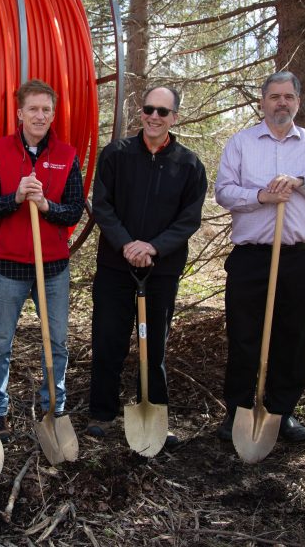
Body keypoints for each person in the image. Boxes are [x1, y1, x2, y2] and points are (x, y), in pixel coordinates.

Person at [214, 71, 305, 443]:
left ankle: (281, 411)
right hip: (251, 257)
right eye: (274, 97)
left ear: (298, 102)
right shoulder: (241, 143)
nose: (281, 103)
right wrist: (261, 196)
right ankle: (237, 412)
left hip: (298, 258)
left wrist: (303, 183)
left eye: (288, 96)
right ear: (263, 101)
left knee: (291, 335)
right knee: (244, 335)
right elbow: (223, 192)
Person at [87, 85, 207, 446]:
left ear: (175, 118)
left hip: (161, 269)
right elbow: (102, 205)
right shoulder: (116, 154)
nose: (154, 116)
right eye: (148, 109)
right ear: (141, 112)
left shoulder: (189, 164)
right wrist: (126, 244)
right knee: (108, 339)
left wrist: (153, 247)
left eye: (163, 112)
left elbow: (189, 219)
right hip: (115, 265)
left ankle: (153, 410)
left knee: (153, 345)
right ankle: (102, 414)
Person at [0, 79, 84, 443]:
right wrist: (16, 197)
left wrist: (45, 206)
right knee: (0, 342)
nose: (40, 116)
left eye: (46, 110)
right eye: (33, 109)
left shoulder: (67, 156)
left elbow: (72, 212)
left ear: (53, 115)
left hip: (53, 268)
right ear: (20, 113)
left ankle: (55, 405)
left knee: (56, 342)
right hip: (8, 266)